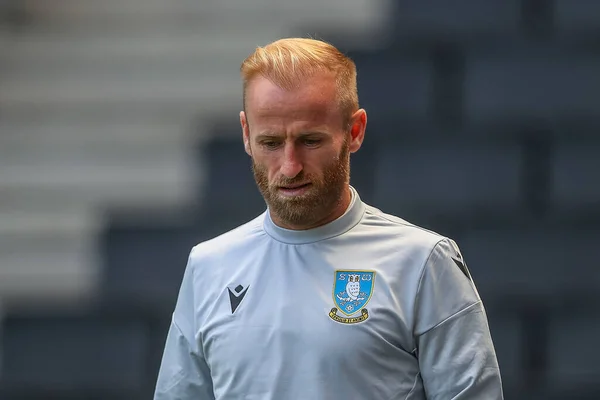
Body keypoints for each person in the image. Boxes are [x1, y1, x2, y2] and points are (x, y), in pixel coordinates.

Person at [154, 37, 504, 399]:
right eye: (271, 143)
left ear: (354, 131)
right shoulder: (208, 265)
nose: (289, 167)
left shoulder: (423, 262)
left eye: (310, 141)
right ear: (246, 134)